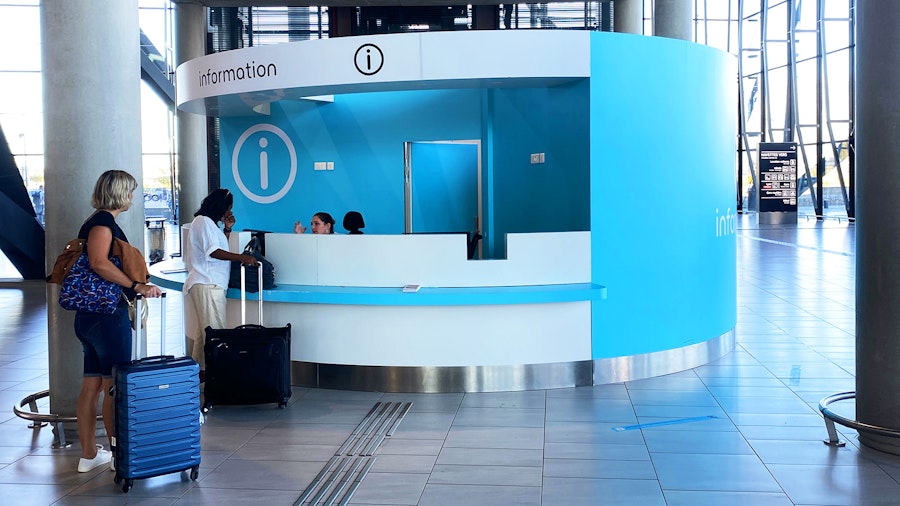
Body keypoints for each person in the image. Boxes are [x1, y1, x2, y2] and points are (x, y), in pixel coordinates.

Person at [74, 170, 162, 473]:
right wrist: (136, 285)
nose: (133, 197)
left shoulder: (95, 222)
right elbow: (98, 263)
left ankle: (89, 455)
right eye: (131, 191)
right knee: (114, 386)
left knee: (93, 384)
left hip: (90, 317)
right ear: (120, 193)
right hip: (107, 317)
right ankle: (118, 454)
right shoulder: (102, 224)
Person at [184, 189, 258, 378]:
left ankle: (200, 374)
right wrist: (241, 257)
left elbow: (217, 247)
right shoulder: (203, 222)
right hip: (208, 283)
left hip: (210, 283)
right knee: (216, 332)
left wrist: (227, 229)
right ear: (221, 206)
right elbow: (214, 252)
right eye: (229, 208)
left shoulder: (208, 224)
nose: (229, 212)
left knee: (205, 334)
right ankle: (218, 377)